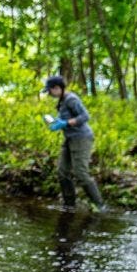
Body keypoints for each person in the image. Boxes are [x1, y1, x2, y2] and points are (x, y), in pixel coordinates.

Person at [42, 75, 105, 210]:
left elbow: (85, 116)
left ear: (57, 88)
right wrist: (55, 122)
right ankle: (69, 205)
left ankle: (99, 205)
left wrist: (66, 123)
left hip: (81, 138)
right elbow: (65, 118)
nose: (49, 94)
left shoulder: (71, 99)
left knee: (80, 172)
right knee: (62, 171)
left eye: (50, 91)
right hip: (69, 139)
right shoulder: (62, 101)